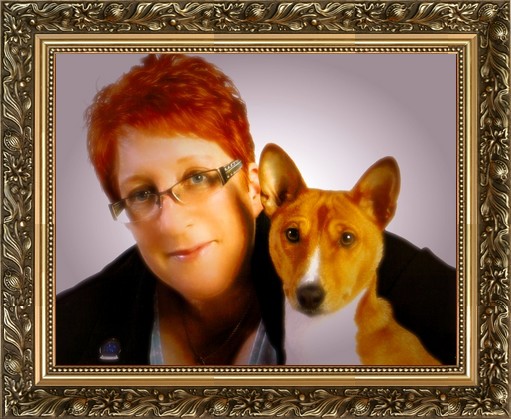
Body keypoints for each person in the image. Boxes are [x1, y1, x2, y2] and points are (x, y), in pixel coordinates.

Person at [56, 54, 457, 366]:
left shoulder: (381, 269)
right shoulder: (65, 331)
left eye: (197, 178)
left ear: (253, 188)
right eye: (142, 193)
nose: (173, 222)